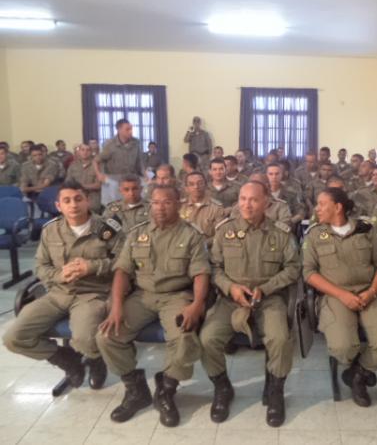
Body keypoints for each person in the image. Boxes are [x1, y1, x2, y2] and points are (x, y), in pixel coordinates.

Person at [97, 184, 211, 427]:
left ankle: (167, 388)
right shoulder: (137, 233)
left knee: (184, 337)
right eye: (156, 202)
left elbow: (201, 273)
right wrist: (116, 306)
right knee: (106, 336)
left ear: (178, 203)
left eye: (167, 202)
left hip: (176, 295)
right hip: (142, 295)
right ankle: (135, 388)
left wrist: (197, 305)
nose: (160, 207)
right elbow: (122, 271)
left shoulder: (191, 234)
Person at [3, 181, 123, 391]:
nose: (73, 205)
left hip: (92, 295)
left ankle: (95, 359)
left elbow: (124, 264)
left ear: (88, 201)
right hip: (58, 294)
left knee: (85, 339)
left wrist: (93, 266)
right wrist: (60, 275)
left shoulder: (107, 228)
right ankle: (67, 360)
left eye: (78, 199)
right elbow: (40, 266)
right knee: (14, 338)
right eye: (66, 201)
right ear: (59, 206)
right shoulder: (51, 230)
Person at [199, 181, 301, 427]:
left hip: (269, 298)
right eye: (243, 198)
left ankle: (275, 390)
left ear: (266, 201)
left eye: (253, 199)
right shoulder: (225, 230)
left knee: (279, 339)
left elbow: (293, 268)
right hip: (231, 299)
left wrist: (265, 288)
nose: (247, 204)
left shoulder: (280, 232)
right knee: (207, 339)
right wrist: (231, 288)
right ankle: (222, 387)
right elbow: (214, 267)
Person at [303, 188, 377, 407]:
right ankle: (356, 367)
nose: (316, 208)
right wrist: (342, 295)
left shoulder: (365, 230)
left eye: (321, 204)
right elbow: (309, 273)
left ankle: (358, 373)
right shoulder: (315, 234)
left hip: (369, 292)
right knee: (342, 347)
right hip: (335, 295)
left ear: (338, 207)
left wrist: (372, 291)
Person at [180, 171, 226, 243]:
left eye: (200, 183)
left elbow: (220, 235)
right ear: (186, 188)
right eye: (191, 184)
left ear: (206, 185)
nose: (196, 187)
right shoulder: (179, 206)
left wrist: (203, 244)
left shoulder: (217, 208)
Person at [66, 143, 102, 213]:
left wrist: (80, 186)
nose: (85, 152)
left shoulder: (98, 165)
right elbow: (68, 182)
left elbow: (98, 185)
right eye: (82, 150)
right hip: (75, 196)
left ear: (91, 152)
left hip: (92, 198)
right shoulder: (73, 165)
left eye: (88, 150)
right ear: (79, 151)